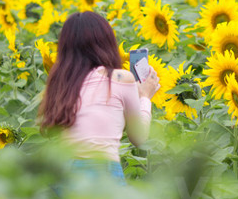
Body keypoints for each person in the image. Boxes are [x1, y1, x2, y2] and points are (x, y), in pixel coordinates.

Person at [39, 10, 160, 181]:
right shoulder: (120, 78)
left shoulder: (60, 82)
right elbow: (139, 137)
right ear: (107, 42)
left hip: (63, 174)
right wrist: (145, 97)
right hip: (102, 171)